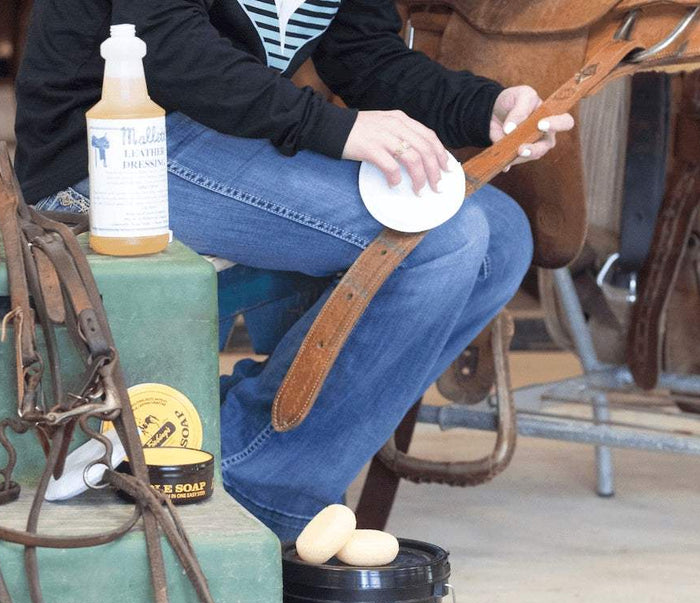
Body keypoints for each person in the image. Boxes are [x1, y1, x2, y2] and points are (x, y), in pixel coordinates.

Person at [14, 0, 574, 540]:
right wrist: (337, 130)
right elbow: (170, 49)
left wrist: (484, 107)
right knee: (444, 240)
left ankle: (226, 450)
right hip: (109, 146)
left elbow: (363, 54)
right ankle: (261, 488)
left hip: (224, 132)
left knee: (500, 236)